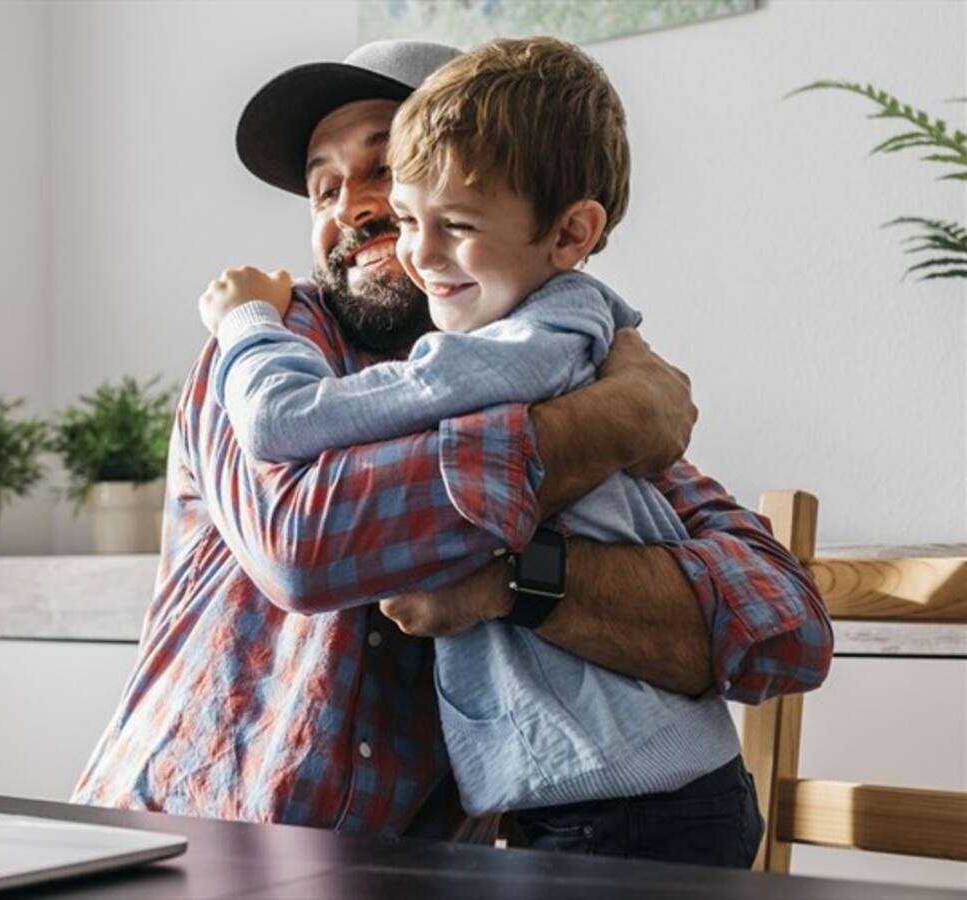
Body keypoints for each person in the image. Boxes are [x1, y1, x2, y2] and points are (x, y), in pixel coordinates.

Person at [72, 39, 832, 854]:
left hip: (411, 873)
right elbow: (305, 547)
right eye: (324, 187)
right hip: (169, 845)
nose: (355, 209)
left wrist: (514, 581)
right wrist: (604, 426)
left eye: (388, 173)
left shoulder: (563, 354)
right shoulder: (265, 346)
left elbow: (782, 628)